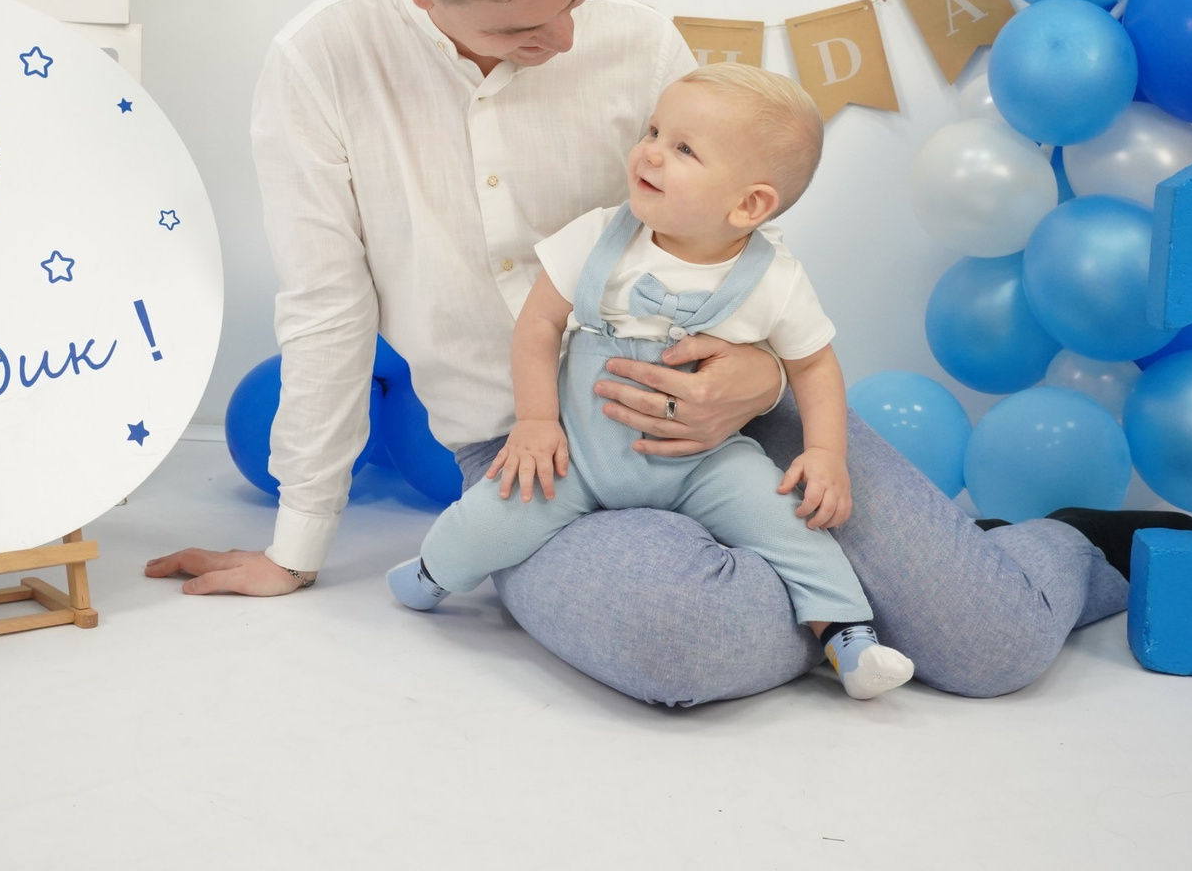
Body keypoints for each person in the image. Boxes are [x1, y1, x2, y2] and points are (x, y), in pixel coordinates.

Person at [147, 0, 1192, 706]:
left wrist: (762, 375)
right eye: (524, 31)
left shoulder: (639, 41)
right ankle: (863, 607)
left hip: (731, 409)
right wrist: (296, 545)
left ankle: (1045, 549)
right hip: (533, 460)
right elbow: (327, 309)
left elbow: (735, 238)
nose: (567, 37)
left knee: (997, 646)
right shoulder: (322, 65)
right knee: (687, 639)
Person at [387, 63, 913, 700]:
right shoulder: (599, 237)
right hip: (580, 456)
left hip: (704, 463)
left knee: (791, 524)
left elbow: (814, 364)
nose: (651, 152)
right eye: (654, 131)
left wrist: (825, 453)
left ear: (749, 204)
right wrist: (536, 421)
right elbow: (538, 324)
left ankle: (849, 638)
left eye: (684, 149)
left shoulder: (773, 278)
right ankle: (431, 573)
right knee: (496, 513)